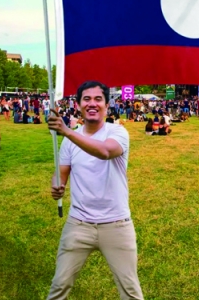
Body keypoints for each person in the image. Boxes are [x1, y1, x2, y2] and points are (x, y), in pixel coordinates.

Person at [47, 81, 144, 300]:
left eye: (98, 99)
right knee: (59, 286)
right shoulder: (69, 142)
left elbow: (104, 151)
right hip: (78, 224)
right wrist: (56, 186)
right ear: (79, 105)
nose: (92, 103)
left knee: (130, 292)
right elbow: (60, 174)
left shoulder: (118, 132)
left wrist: (66, 132)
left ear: (107, 105)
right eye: (87, 99)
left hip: (116, 225)